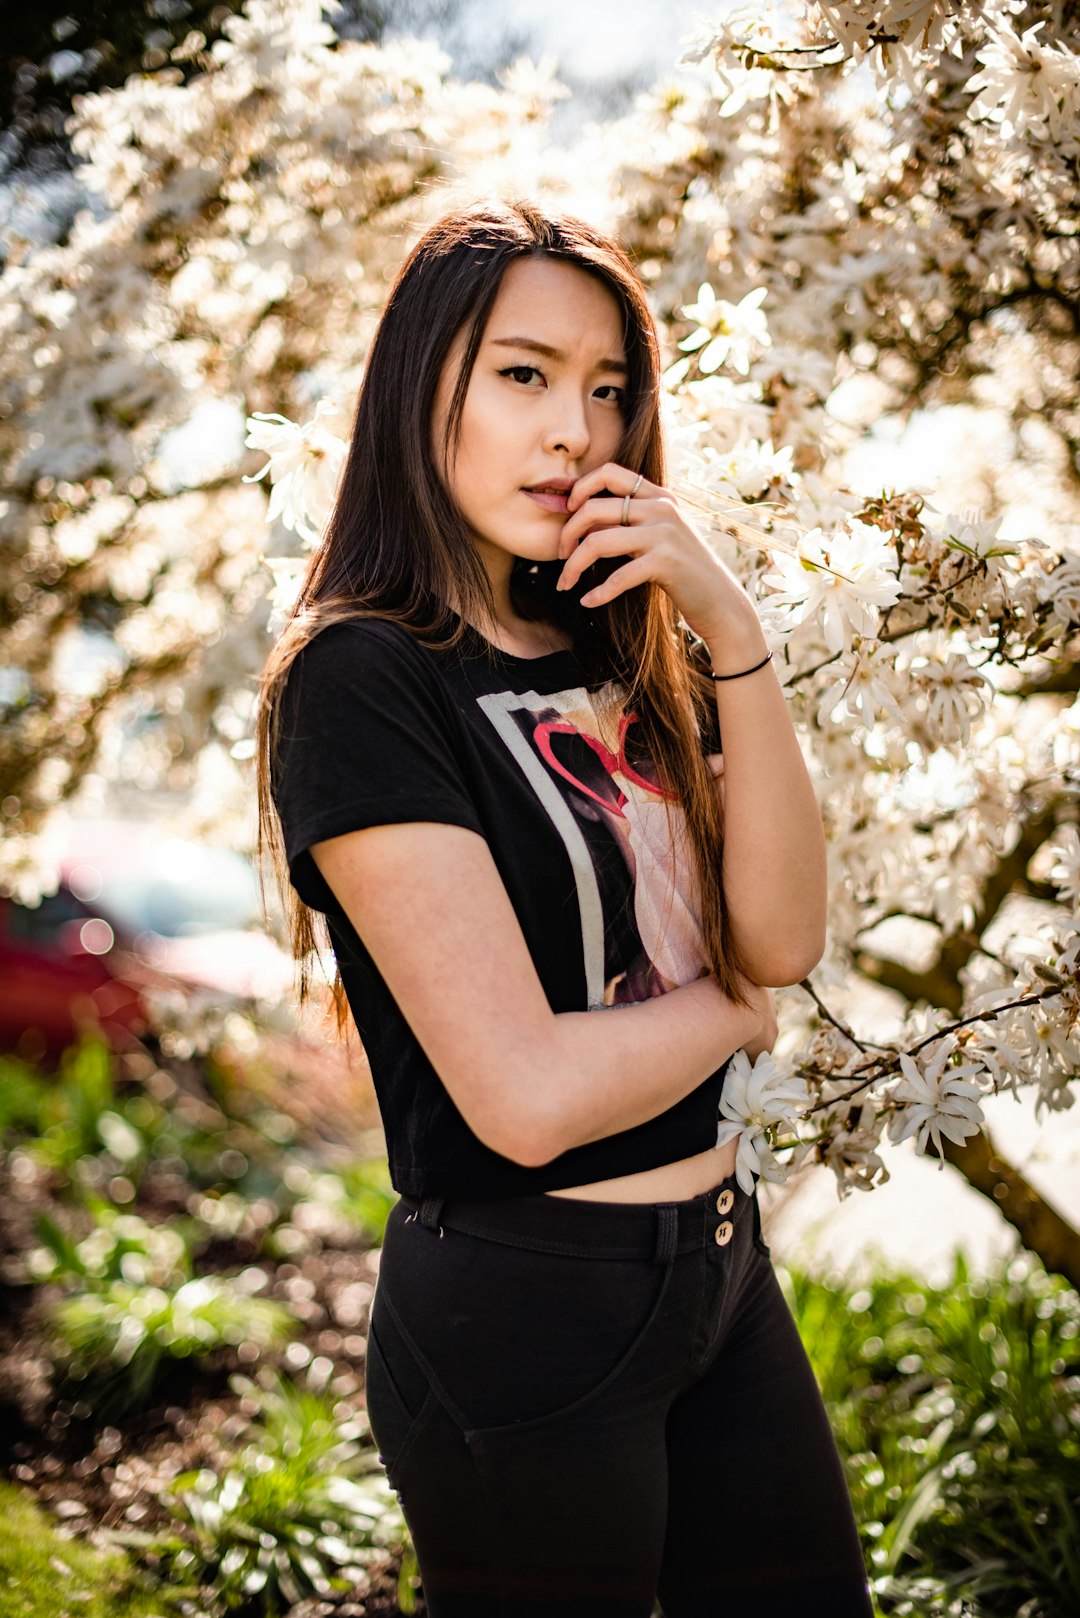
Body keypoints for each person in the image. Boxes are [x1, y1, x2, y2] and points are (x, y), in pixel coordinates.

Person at [257, 196, 874, 1617]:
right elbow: (524, 1095)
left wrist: (729, 626)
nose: (575, 432)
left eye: (607, 390)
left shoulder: (620, 642)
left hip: (719, 1271)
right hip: (522, 1311)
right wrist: (732, 1011)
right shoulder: (364, 681)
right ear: (423, 388)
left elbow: (782, 935)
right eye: (524, 375)